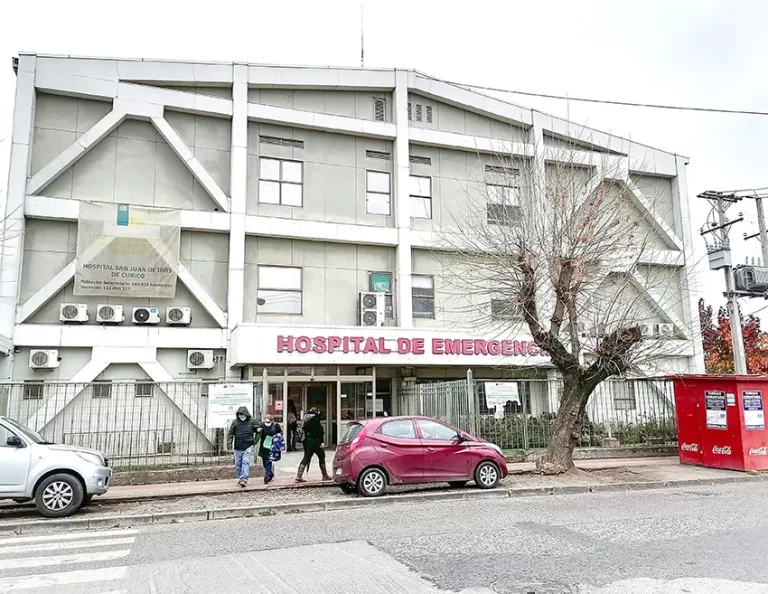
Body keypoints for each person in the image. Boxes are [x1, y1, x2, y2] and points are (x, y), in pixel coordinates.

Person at [295, 407, 332, 482]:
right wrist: (322, 442)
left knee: (306, 457)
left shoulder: (306, 420)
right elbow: (320, 432)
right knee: (321, 455)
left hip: (306, 441)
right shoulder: (315, 420)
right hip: (315, 441)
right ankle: (325, 475)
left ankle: (299, 476)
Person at [226, 406, 258, 487]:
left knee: (246, 461)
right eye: (240, 416)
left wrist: (255, 441)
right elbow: (230, 434)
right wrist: (229, 444)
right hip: (238, 446)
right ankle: (241, 477)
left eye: (243, 416)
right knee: (238, 463)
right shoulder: (235, 422)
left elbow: (259, 429)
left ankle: (244, 478)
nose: (241, 417)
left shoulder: (252, 421)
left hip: (248, 445)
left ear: (246, 415)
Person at [257, 414, 282, 484]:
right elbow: (257, 430)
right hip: (264, 446)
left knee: (268, 461)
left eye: (268, 422)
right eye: (266, 422)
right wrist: (258, 430)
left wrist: (276, 438)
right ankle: (270, 473)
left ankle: (267, 476)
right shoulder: (262, 425)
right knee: (264, 462)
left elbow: (280, 433)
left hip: (271, 446)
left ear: (272, 421)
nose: (267, 423)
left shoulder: (276, 426)